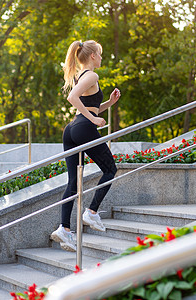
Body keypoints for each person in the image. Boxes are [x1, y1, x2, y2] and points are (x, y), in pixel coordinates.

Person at [50, 40, 121, 252]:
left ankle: (64, 228)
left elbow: (88, 105)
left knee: (73, 182)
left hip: (71, 129)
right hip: (83, 126)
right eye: (100, 54)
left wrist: (108, 104)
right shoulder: (92, 75)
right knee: (110, 170)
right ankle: (91, 212)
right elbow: (73, 98)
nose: (101, 58)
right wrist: (93, 119)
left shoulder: (80, 75)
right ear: (92, 56)